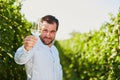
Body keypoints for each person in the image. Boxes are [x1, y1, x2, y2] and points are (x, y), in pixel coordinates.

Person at [14, 15, 63, 80]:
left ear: (56, 32)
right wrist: (25, 49)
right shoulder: (33, 45)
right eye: (45, 30)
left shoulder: (54, 50)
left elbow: (58, 72)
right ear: (40, 29)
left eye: (52, 31)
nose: (48, 35)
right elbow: (19, 60)